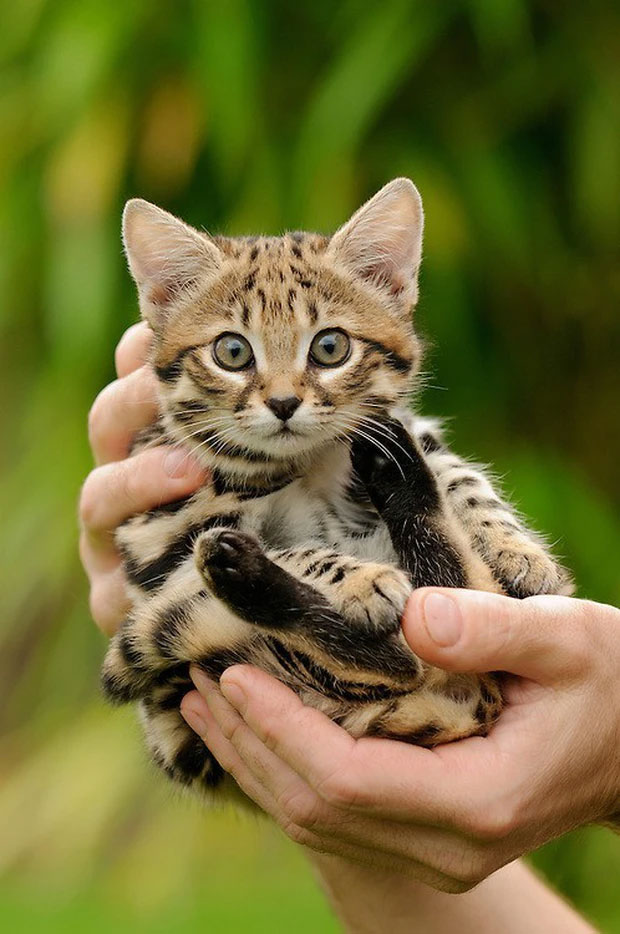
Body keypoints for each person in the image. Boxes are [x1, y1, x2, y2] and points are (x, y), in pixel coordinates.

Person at [80, 322, 619, 933]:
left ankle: (317, 612)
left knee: (413, 469)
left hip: (382, 674)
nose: (283, 394)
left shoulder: (375, 434)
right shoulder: (191, 458)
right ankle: (336, 608)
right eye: (235, 354)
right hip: (310, 682)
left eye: (327, 350)